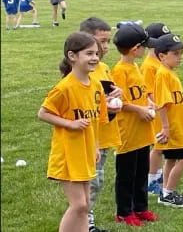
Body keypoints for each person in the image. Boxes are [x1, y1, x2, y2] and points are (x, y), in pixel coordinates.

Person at [37, 32, 109, 232]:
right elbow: (43, 113)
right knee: (78, 205)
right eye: (89, 53)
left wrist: (95, 147)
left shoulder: (95, 85)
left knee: (85, 205)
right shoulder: (65, 88)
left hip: (85, 152)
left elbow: (95, 122)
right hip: (68, 154)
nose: (95, 58)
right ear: (72, 56)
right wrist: (70, 124)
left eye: (96, 53)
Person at [111, 25, 159, 227]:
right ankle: (124, 211)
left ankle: (140, 207)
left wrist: (148, 103)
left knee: (141, 171)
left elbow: (141, 92)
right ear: (135, 49)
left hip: (142, 131)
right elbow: (117, 102)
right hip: (128, 132)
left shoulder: (135, 68)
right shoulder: (119, 71)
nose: (146, 50)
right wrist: (139, 110)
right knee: (126, 175)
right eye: (144, 47)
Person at [79, 17, 123, 232]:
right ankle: (85, 224)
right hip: (89, 136)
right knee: (91, 183)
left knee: (97, 181)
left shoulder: (104, 67)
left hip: (103, 134)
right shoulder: (81, 70)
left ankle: (88, 222)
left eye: (107, 42)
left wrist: (118, 95)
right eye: (101, 41)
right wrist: (106, 106)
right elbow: (82, 104)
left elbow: (107, 93)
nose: (105, 47)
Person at [154, 33, 183, 207]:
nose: (180, 57)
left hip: (179, 125)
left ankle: (165, 192)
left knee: (171, 159)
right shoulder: (162, 75)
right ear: (162, 56)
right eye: (176, 54)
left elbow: (181, 101)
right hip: (173, 128)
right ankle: (167, 194)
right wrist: (165, 127)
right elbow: (162, 104)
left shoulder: (171, 74)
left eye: (181, 53)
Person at [141, 23, 172, 195]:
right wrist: (158, 109)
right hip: (157, 111)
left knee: (162, 146)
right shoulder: (149, 66)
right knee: (158, 147)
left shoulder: (159, 62)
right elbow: (148, 92)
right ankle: (150, 179)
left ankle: (157, 173)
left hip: (163, 109)